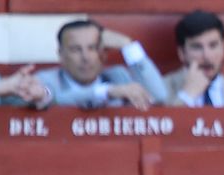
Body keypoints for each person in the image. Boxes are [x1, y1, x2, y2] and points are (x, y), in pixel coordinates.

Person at [34, 19, 170, 110]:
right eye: (76, 49)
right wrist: (106, 91)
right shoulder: (46, 80)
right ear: (61, 55)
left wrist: (128, 45)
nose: (85, 57)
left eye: (92, 48)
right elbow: (57, 99)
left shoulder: (118, 76)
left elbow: (158, 96)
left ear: (103, 54)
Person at [166, 10, 224, 108]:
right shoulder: (160, 91)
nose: (207, 56)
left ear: (223, 49)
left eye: (213, 45)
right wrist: (187, 96)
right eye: (197, 47)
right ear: (181, 53)